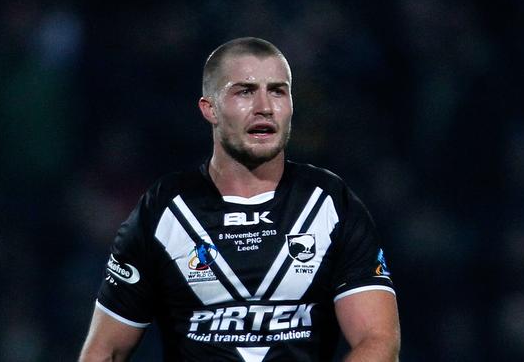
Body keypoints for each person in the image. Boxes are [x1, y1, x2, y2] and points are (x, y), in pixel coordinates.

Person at [79, 37, 400, 362]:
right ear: (210, 109)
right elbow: (105, 351)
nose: (265, 106)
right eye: (245, 91)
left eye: (277, 91)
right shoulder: (164, 208)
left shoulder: (332, 202)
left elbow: (378, 342)